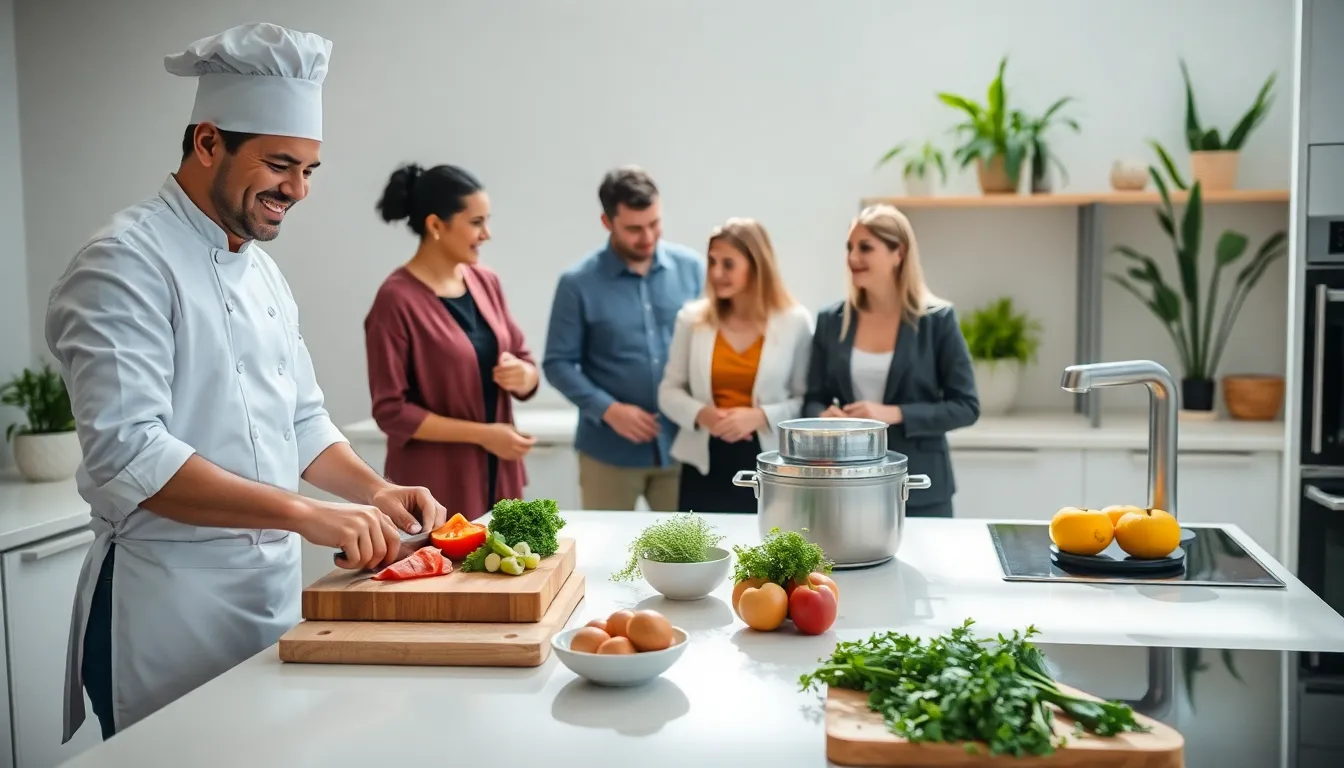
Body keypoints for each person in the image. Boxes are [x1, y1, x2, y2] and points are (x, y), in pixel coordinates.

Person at [45, 23, 448, 744]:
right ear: (207, 143)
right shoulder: (121, 265)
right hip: (164, 608)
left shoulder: (260, 269)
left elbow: (301, 420)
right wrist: (305, 515)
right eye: (280, 164)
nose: (296, 190)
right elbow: (131, 458)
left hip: (268, 600)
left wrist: (375, 492)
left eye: (309, 171)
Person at [364, 163, 539, 520]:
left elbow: (523, 357)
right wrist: (483, 435)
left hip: (499, 475)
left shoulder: (486, 282)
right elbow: (391, 411)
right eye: (476, 222)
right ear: (435, 225)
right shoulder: (395, 300)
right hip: (435, 486)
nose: (486, 234)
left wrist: (525, 376)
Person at [542, 166, 703, 511]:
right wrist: (609, 410)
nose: (647, 236)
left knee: (686, 556)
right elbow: (557, 363)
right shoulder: (577, 283)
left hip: (682, 447)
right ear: (607, 222)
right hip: (607, 452)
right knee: (606, 558)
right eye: (634, 228)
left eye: (654, 223)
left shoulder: (693, 269)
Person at [802, 203, 979, 517]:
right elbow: (812, 399)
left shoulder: (937, 320)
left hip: (921, 484)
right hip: (849, 482)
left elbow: (966, 407)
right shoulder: (831, 320)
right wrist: (824, 418)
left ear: (898, 253)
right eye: (849, 247)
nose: (852, 257)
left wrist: (892, 413)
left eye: (865, 248)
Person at [658, 218, 813, 512]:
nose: (716, 273)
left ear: (756, 265)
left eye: (728, 264)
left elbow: (805, 402)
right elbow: (668, 390)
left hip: (770, 464)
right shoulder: (692, 320)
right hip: (703, 464)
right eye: (712, 262)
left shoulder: (795, 322)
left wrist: (759, 417)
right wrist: (702, 414)